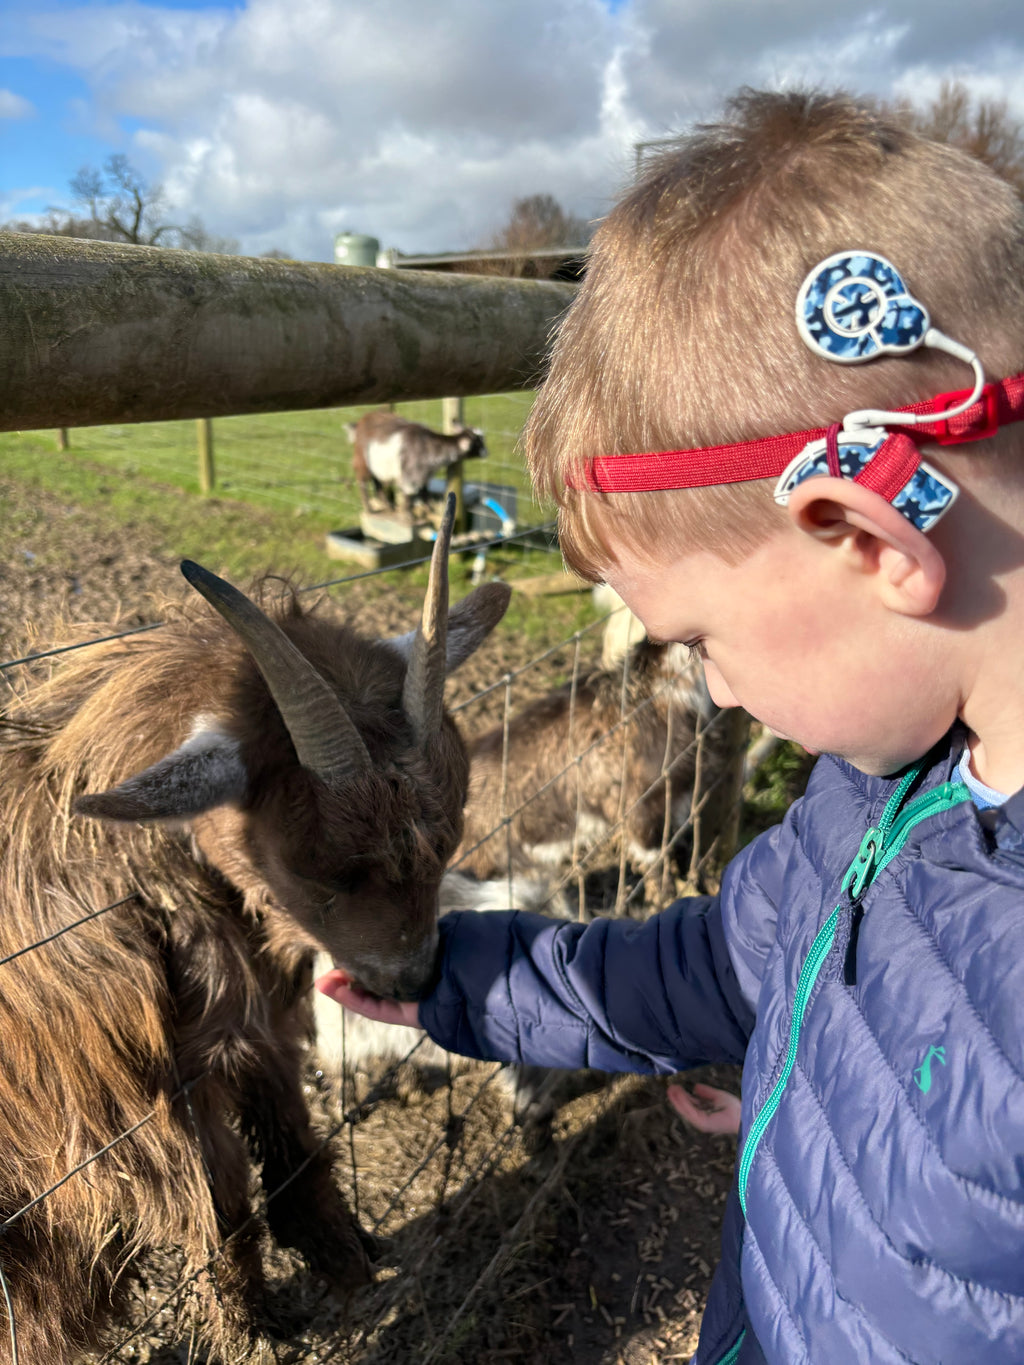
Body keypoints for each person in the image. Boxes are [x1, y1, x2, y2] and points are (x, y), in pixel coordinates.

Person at [319, 89, 1024, 1363]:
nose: (720, 693)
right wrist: (463, 978)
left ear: (868, 541)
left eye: (697, 641)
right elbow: (729, 967)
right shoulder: (877, 782)